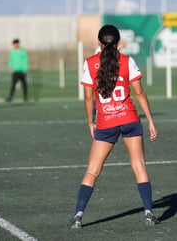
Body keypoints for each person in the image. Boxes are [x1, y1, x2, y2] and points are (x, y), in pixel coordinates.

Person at [67, 25, 159, 229]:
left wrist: (90, 122)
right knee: (139, 166)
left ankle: (78, 216)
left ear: (99, 43)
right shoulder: (127, 61)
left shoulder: (90, 63)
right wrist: (151, 120)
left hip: (106, 123)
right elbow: (140, 93)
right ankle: (149, 213)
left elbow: (89, 97)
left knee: (92, 171)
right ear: (118, 43)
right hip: (129, 120)